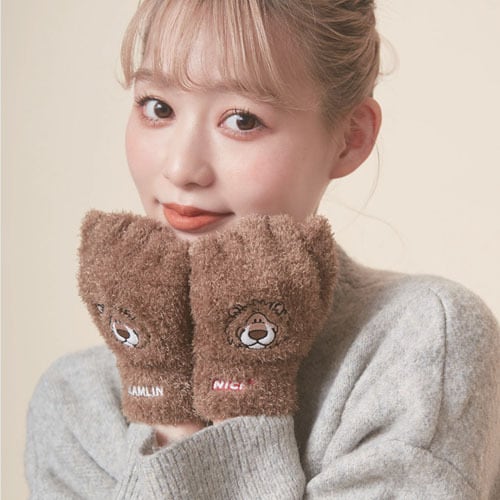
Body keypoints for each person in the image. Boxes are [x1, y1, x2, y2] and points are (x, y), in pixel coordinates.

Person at [25, 0, 500, 498]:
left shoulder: (421, 344)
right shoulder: (75, 403)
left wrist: (243, 380)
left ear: (350, 138)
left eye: (242, 120)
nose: (182, 168)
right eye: (158, 108)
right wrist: (161, 397)